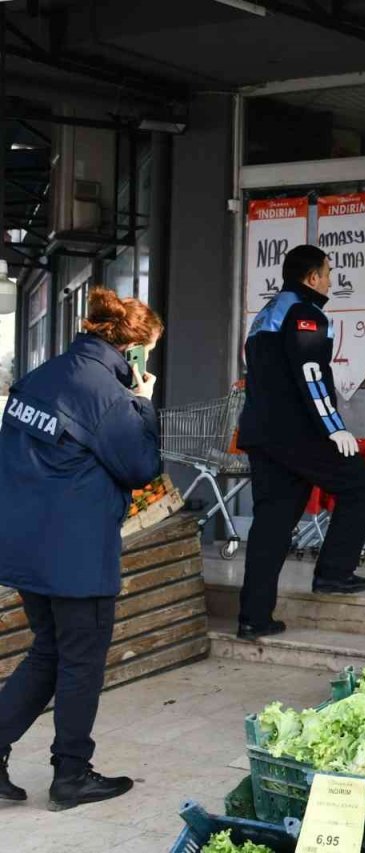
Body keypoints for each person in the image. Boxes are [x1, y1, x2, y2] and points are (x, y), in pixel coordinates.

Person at [0, 288, 164, 810]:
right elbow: (141, 467)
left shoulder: (39, 378)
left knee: (49, 651)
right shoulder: (111, 397)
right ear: (133, 351)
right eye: (150, 350)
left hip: (27, 545)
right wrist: (144, 402)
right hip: (75, 553)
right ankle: (71, 774)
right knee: (80, 663)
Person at [237, 244, 365, 640]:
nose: (331, 280)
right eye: (328, 273)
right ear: (312, 278)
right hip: (297, 432)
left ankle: (254, 618)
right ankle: (334, 573)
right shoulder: (304, 313)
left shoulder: (267, 313)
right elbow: (311, 374)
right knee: (361, 485)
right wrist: (335, 427)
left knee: (272, 525)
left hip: (262, 434)